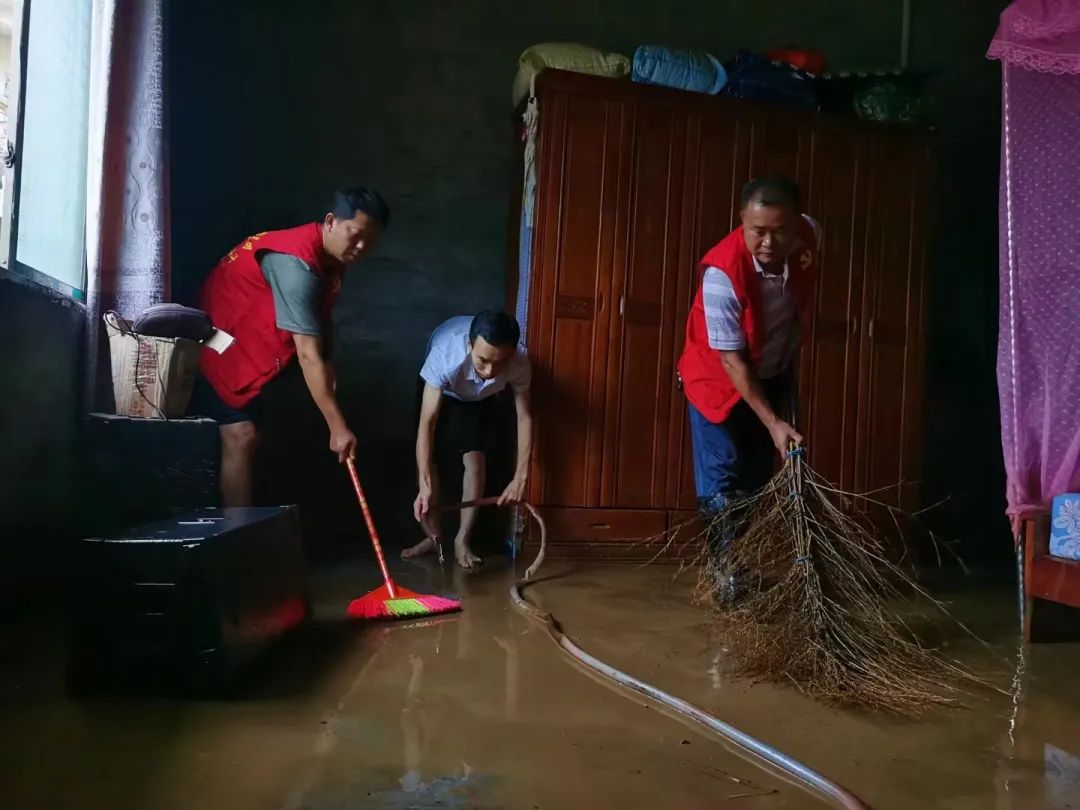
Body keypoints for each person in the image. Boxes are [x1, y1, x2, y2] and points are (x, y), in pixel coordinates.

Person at [192, 186, 390, 507]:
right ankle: (239, 532)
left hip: (253, 339)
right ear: (331, 221)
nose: (361, 247)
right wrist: (338, 428)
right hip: (215, 338)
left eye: (370, 241)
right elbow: (307, 353)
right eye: (355, 235)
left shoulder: (331, 258)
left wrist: (329, 363)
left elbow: (320, 318)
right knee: (241, 435)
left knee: (274, 426)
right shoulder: (296, 265)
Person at [677, 176, 818, 592]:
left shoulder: (810, 235)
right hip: (716, 379)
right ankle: (724, 573)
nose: (769, 243)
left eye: (780, 231)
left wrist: (787, 367)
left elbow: (799, 307)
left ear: (797, 223)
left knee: (755, 477)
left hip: (769, 372)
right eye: (758, 231)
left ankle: (740, 560)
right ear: (742, 219)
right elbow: (731, 361)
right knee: (723, 474)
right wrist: (774, 422)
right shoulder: (722, 274)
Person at [402, 311, 533, 569]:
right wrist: (424, 485)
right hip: (445, 387)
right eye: (483, 360)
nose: (490, 371)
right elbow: (427, 423)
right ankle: (432, 537)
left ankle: (462, 540)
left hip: (478, 398)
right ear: (470, 345)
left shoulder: (519, 360)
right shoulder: (445, 355)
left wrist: (521, 477)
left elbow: (525, 417)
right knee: (429, 463)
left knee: (475, 459)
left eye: (499, 363)